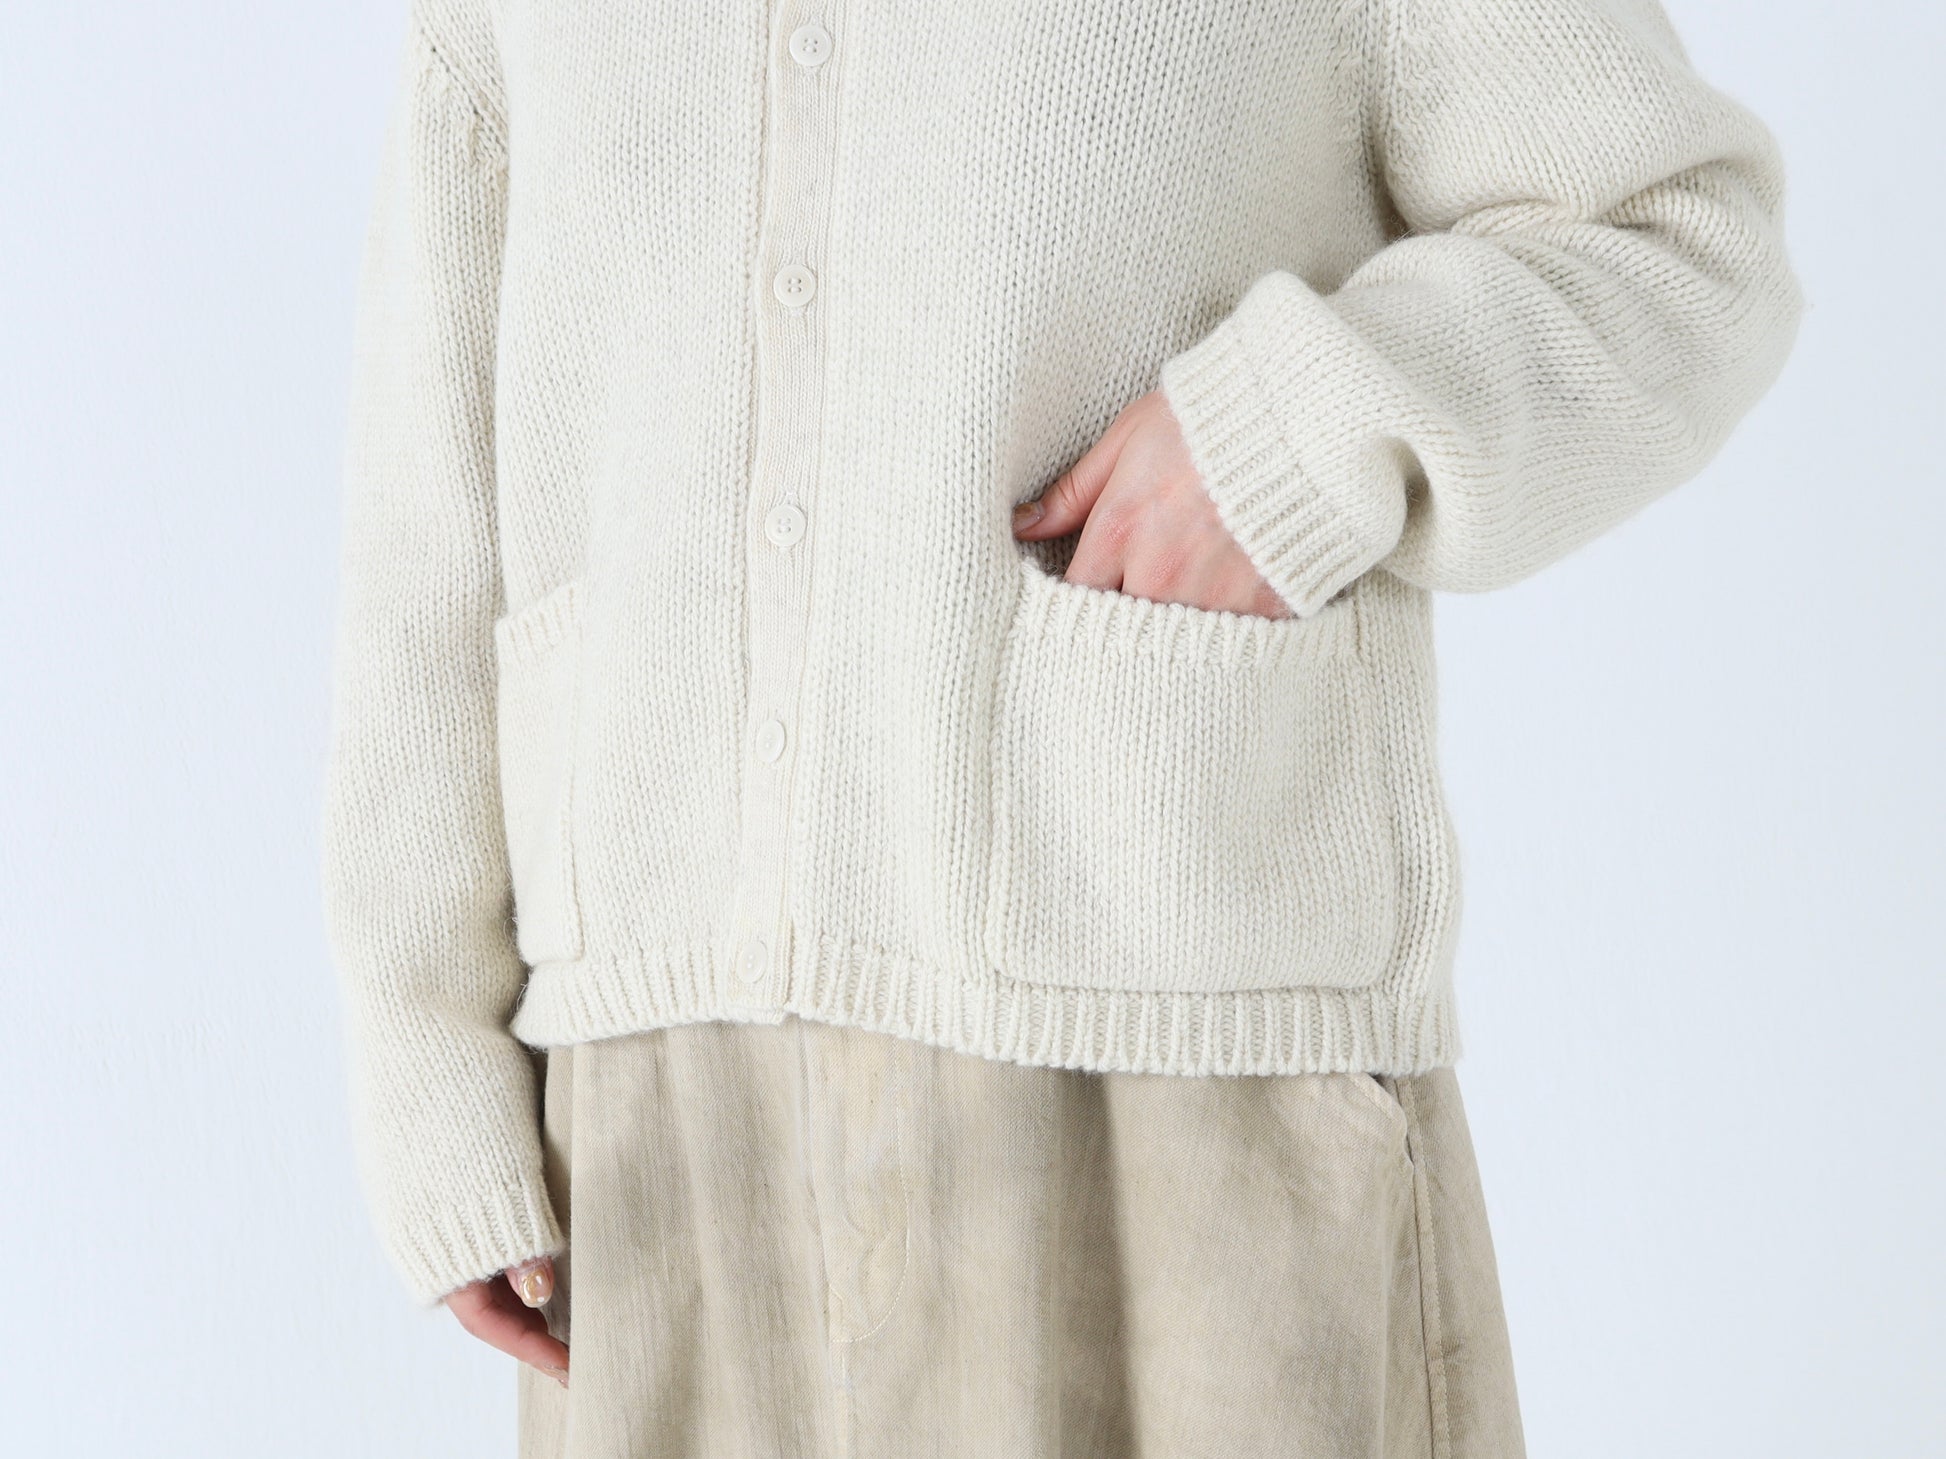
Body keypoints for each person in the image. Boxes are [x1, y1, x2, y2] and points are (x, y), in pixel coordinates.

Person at [319, 0, 1803, 1453]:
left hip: (1178, 1070)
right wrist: (427, 1055)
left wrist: (1294, 432)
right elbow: (433, 501)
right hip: (663, 1115)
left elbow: (1677, 235)